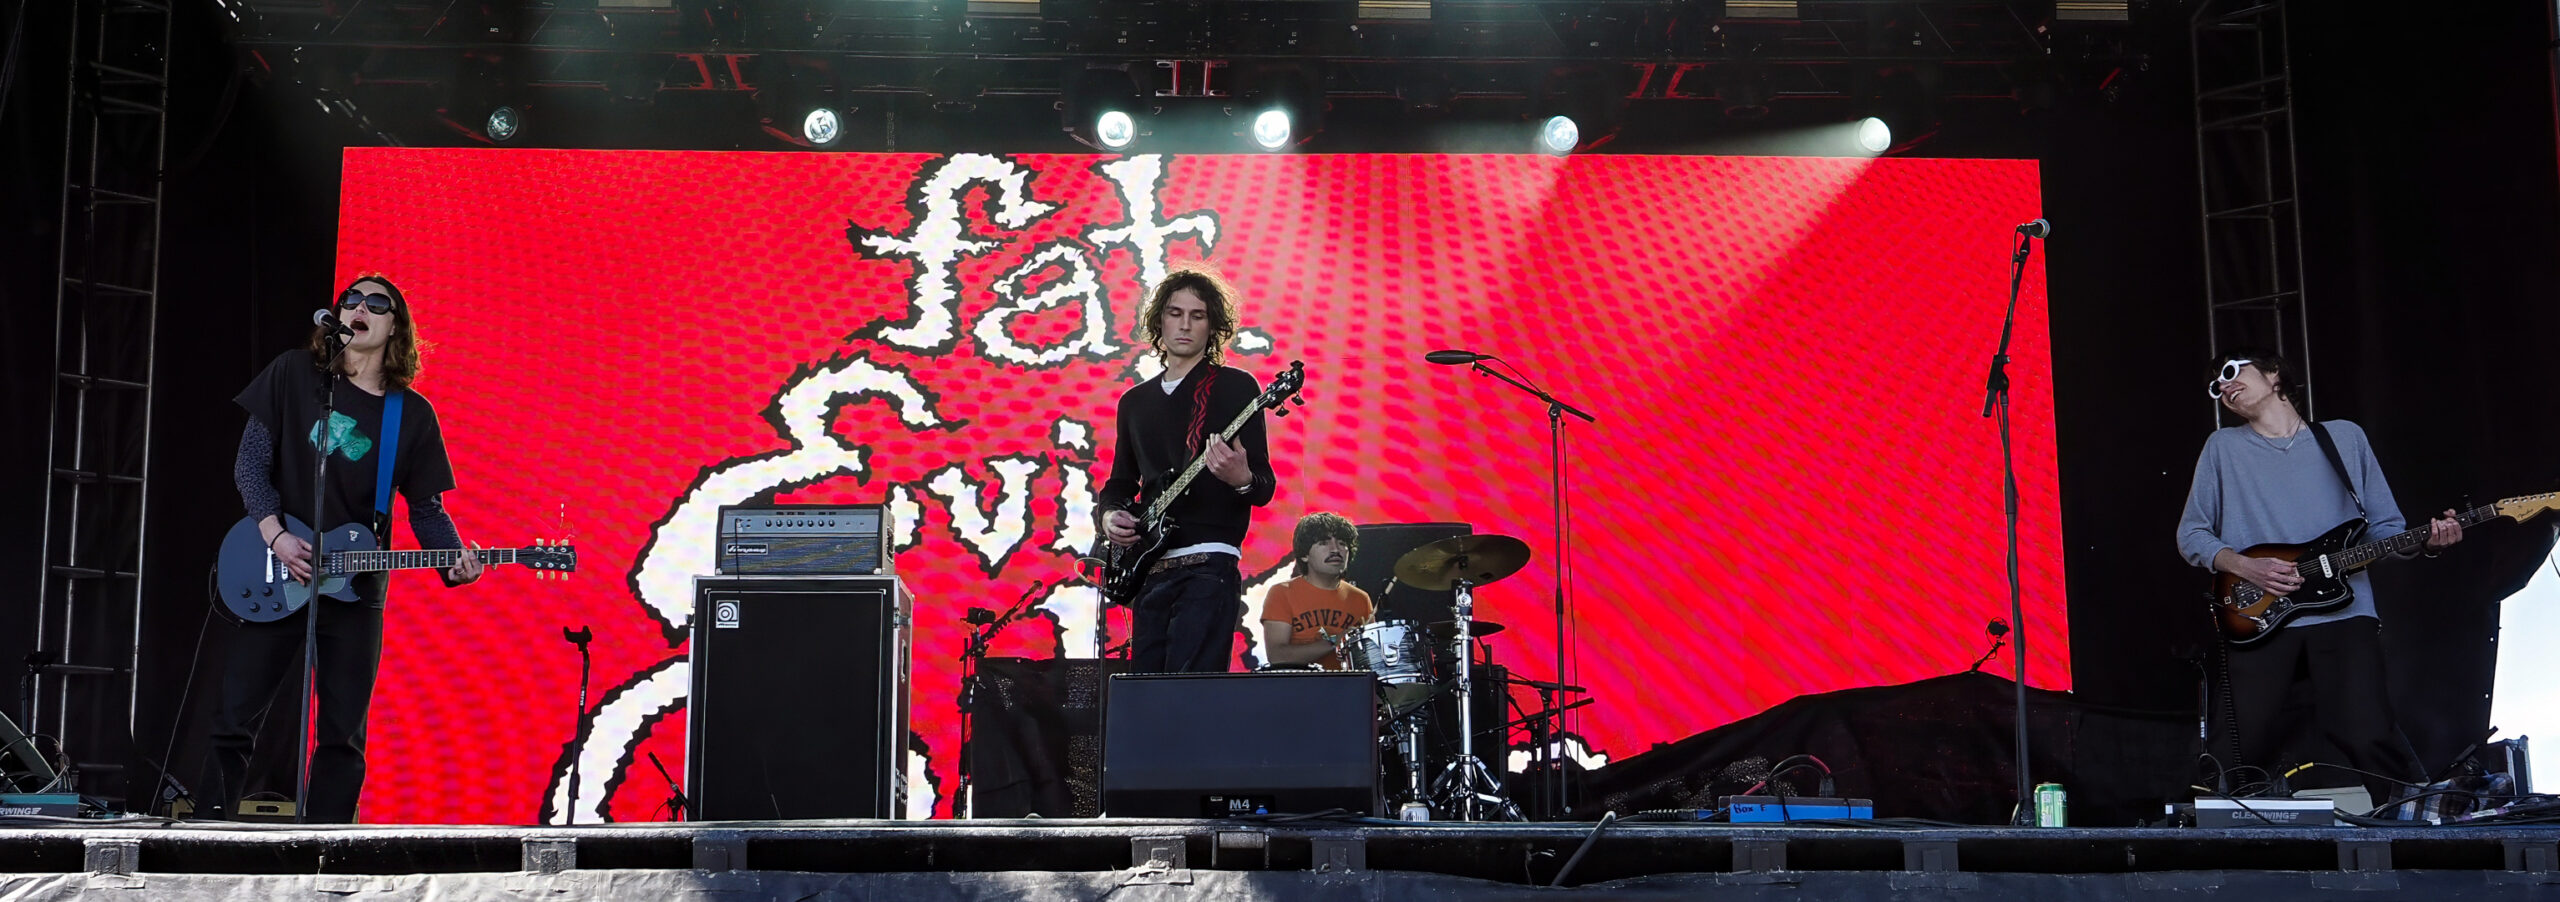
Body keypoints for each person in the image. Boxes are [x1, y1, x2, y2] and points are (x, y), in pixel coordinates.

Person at [204, 275, 484, 823]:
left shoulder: (411, 414)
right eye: (351, 299)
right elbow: (250, 465)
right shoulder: (292, 373)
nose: (361, 307)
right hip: (279, 566)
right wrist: (276, 535)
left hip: (356, 588)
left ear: (395, 326)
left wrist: (455, 562)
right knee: (234, 716)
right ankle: (208, 830)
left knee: (342, 732)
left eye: (377, 303)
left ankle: (325, 845)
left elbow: (426, 510)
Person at [2176, 349, 2462, 808]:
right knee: (2240, 743)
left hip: (2344, 612)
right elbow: (2191, 534)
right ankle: (2224, 835)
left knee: (2367, 731)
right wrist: (2245, 566)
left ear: (2274, 373)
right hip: (2257, 610)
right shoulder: (2222, 447)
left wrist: (2427, 542)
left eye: (2231, 372)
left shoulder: (2343, 437)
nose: (2224, 387)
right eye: (2216, 385)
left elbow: (2385, 529)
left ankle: (2409, 820)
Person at [1098, 266, 1277, 674]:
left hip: (1209, 565)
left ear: (1212, 326)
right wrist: (1109, 516)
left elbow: (1263, 486)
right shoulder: (1134, 402)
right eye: (1175, 313)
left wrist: (1241, 480)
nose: (1185, 325)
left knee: (1190, 692)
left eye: (1198, 316)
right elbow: (1121, 482)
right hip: (1149, 569)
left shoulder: (1235, 387)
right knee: (1147, 692)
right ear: (1159, 320)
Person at [1261, 512, 1374, 669]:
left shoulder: (1360, 598)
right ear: (1304, 556)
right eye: (1323, 543)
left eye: (1342, 543)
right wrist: (1335, 641)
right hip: (1301, 683)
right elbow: (1277, 656)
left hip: (1350, 683)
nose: (1335, 549)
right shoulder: (1281, 593)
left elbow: (1372, 659)